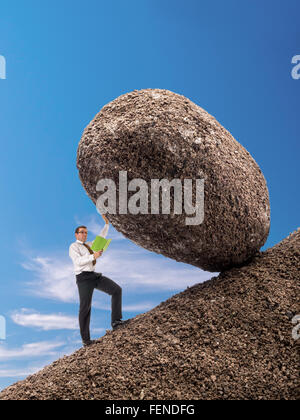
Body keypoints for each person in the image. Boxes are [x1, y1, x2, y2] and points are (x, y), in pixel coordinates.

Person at [69, 214, 128, 347]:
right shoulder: (74, 247)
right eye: (82, 233)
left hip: (93, 275)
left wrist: (106, 224)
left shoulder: (89, 245)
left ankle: (116, 322)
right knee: (85, 307)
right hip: (83, 278)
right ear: (76, 235)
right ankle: (86, 340)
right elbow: (78, 262)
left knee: (116, 290)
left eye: (86, 233)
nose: (84, 235)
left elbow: (101, 238)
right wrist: (93, 256)